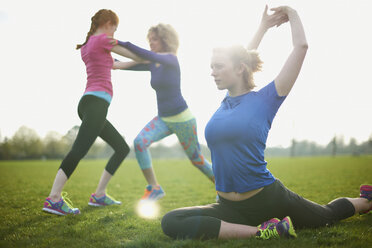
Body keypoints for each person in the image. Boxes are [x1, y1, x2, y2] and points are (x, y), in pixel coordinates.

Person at [161, 6, 372, 240]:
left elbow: (300, 48)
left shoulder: (265, 100)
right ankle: (266, 231)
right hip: (227, 207)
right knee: (171, 221)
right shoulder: (224, 103)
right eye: (212, 66)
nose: (212, 72)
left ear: (240, 69)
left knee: (326, 215)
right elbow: (242, 55)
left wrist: (292, 13)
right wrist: (263, 27)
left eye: (218, 66)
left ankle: (366, 200)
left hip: (268, 200)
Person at [42, 9, 143, 216]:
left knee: (121, 148)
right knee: (79, 150)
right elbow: (130, 53)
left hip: (90, 104)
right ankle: (54, 198)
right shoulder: (102, 40)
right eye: (115, 27)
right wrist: (152, 56)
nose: (115, 32)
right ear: (108, 23)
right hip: (96, 104)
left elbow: (119, 64)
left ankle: (99, 194)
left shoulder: (89, 46)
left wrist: (147, 64)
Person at [113, 23, 215, 201]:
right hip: (163, 119)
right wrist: (108, 58)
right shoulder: (153, 63)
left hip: (183, 119)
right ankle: (154, 188)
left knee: (197, 160)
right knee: (139, 142)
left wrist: (120, 42)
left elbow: (144, 55)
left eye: (155, 39)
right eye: (149, 39)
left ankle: (225, 188)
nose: (151, 43)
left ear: (165, 40)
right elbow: (126, 64)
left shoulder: (170, 59)